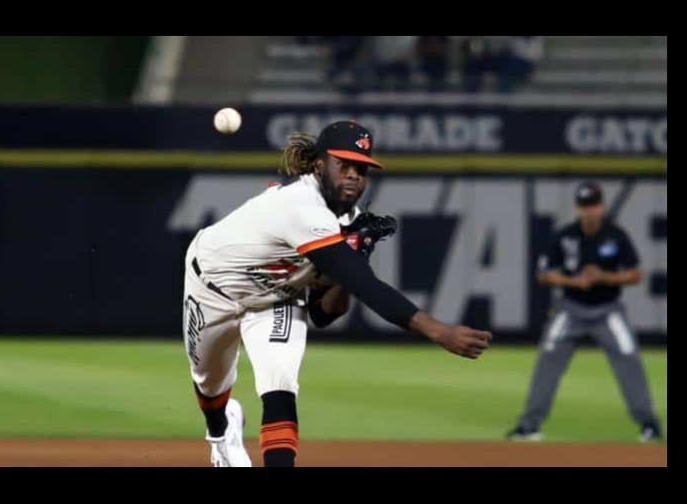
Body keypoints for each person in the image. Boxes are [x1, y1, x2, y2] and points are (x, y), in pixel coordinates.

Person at [182, 121, 493, 467]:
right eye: (343, 164)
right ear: (319, 165)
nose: (353, 175)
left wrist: (356, 255)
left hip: (276, 298)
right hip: (212, 287)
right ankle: (222, 434)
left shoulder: (346, 220)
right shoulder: (302, 207)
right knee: (209, 386)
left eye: (361, 168)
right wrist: (439, 331)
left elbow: (324, 312)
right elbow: (368, 286)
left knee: (280, 383)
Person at [507, 181, 663, 442]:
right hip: (571, 309)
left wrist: (604, 276)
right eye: (584, 206)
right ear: (578, 208)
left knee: (629, 358)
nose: (589, 211)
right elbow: (544, 274)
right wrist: (574, 282)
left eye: (593, 206)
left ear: (601, 207)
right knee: (547, 359)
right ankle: (528, 425)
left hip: (607, 310)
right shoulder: (565, 235)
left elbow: (635, 274)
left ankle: (649, 424)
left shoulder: (615, 235)